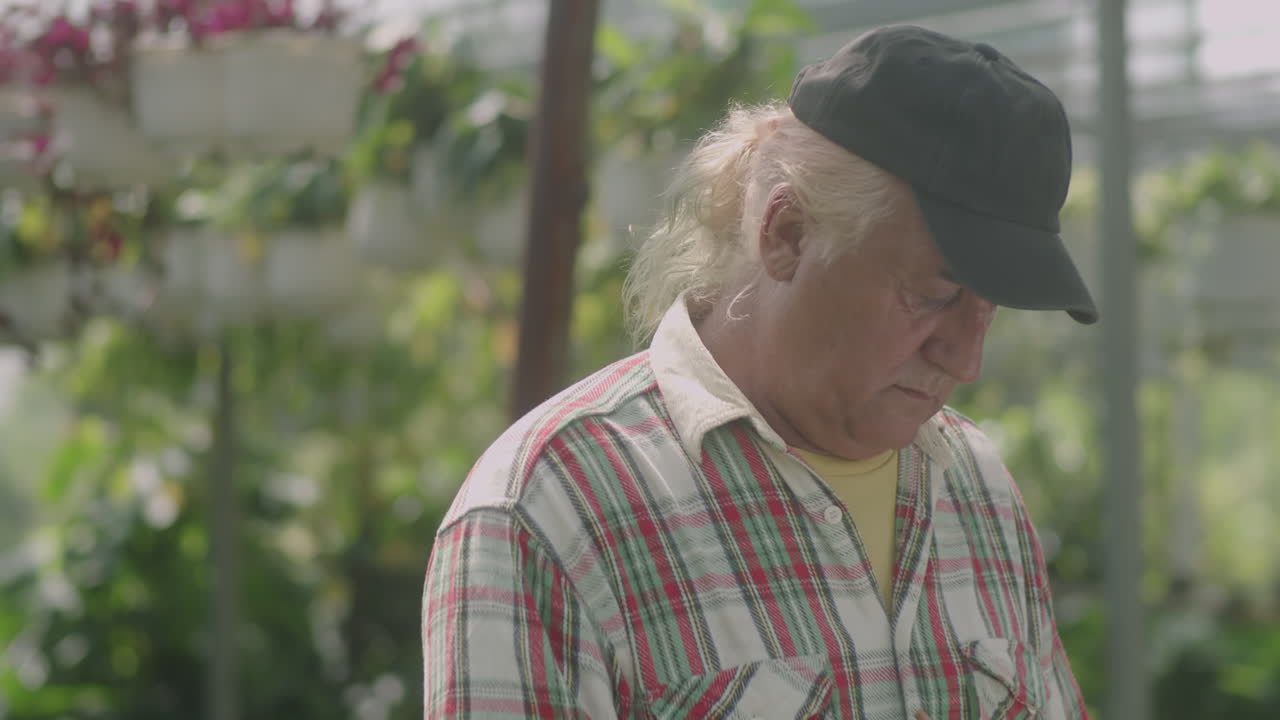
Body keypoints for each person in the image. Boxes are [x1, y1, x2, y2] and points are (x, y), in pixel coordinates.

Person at [423, 24, 1096, 719]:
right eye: (933, 295)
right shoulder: (552, 509)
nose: (966, 358)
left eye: (991, 309)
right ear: (788, 234)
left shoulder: (975, 486)